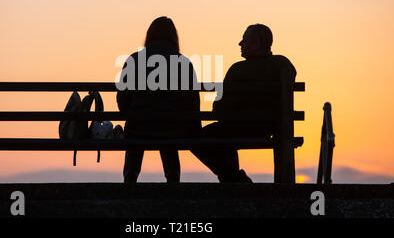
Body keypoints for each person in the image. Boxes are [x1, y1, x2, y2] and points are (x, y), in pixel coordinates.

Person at [191, 24, 297, 183]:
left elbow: (219, 109)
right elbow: (290, 72)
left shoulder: (238, 69)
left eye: (244, 40)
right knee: (224, 134)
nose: (240, 44)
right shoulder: (281, 64)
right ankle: (233, 179)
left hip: (237, 128)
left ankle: (234, 179)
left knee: (197, 138)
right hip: (266, 128)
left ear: (256, 44)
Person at [117, 16, 201, 183]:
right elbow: (192, 102)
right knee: (167, 128)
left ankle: (129, 179)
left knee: (138, 126)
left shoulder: (134, 60)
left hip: (138, 128)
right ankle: (173, 179)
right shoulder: (183, 63)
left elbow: (123, 99)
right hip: (173, 129)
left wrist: (131, 114)